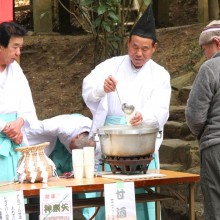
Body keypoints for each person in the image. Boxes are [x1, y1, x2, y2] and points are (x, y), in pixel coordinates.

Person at [82, 3, 171, 220]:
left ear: (154, 48)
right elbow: (87, 89)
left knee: (142, 200)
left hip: (141, 141)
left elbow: (161, 109)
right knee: (108, 198)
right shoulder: (110, 65)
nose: (138, 53)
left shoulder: (160, 75)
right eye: (134, 47)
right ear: (128, 43)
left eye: (145, 48)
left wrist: (144, 116)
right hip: (111, 143)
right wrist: (103, 88)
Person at [25, 113, 101, 220]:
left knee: (78, 179)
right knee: (50, 179)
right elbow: (34, 128)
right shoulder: (62, 125)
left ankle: (76, 212)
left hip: (79, 152)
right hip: (56, 145)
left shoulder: (97, 142)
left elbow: (93, 164)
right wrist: (18, 134)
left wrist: (74, 173)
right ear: (76, 137)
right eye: (72, 149)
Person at [185, 20, 220, 220]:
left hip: (216, 147)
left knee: (215, 207)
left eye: (205, 49)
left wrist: (202, 133)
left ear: (217, 43)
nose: (204, 54)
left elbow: (195, 116)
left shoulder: (211, 68)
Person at [0, 21, 37, 182]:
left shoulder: (15, 69)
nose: (18, 53)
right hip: (6, 132)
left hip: (16, 137)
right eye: (14, 47)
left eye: (20, 48)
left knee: (17, 190)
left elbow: (26, 100)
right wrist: (5, 127)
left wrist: (19, 123)